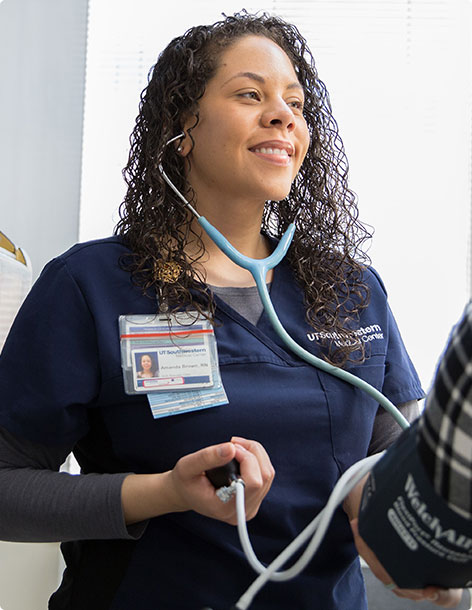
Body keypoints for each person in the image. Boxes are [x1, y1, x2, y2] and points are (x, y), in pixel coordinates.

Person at [0, 11, 459, 609]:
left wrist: (408, 534)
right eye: (250, 94)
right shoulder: (91, 285)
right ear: (181, 127)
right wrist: (164, 491)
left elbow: (392, 470)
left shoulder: (353, 290)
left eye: (295, 103)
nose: (283, 115)